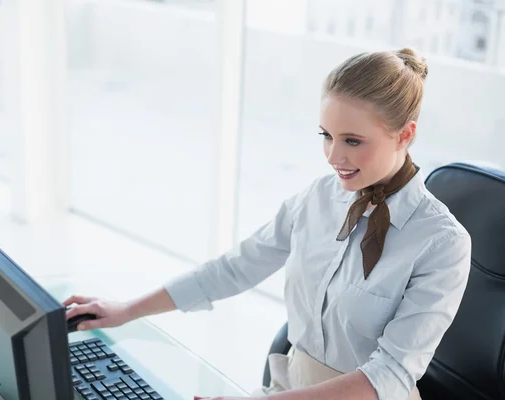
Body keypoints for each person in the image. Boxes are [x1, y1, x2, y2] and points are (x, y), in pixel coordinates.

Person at [64, 48, 472, 400]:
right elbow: (234, 268)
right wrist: (127, 310)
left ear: (405, 135)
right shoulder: (317, 198)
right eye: (326, 135)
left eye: (352, 141)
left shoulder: (442, 244)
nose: (332, 156)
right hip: (287, 388)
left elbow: (390, 375)